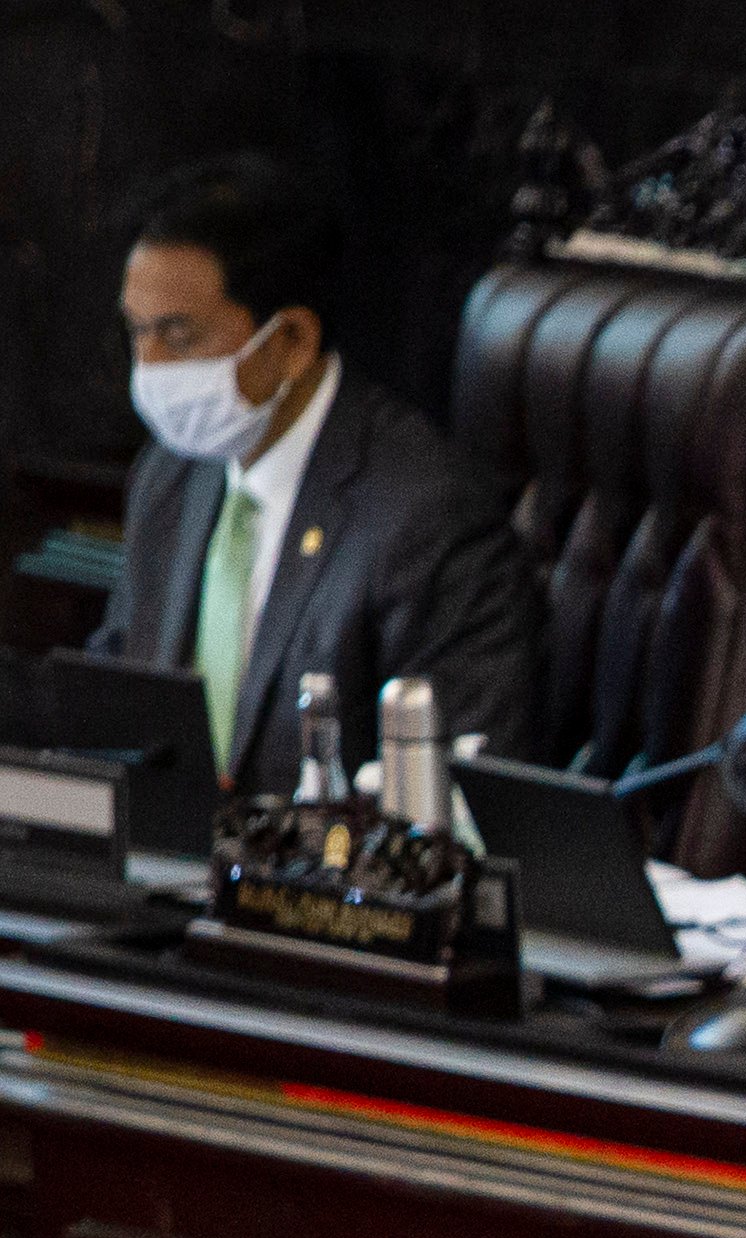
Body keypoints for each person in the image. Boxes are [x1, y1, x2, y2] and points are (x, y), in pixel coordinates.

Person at [93, 155, 539, 794]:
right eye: (137, 332)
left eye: (179, 336)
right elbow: (116, 706)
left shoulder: (423, 513)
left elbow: (457, 787)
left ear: (292, 340)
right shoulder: (169, 477)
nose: (150, 368)